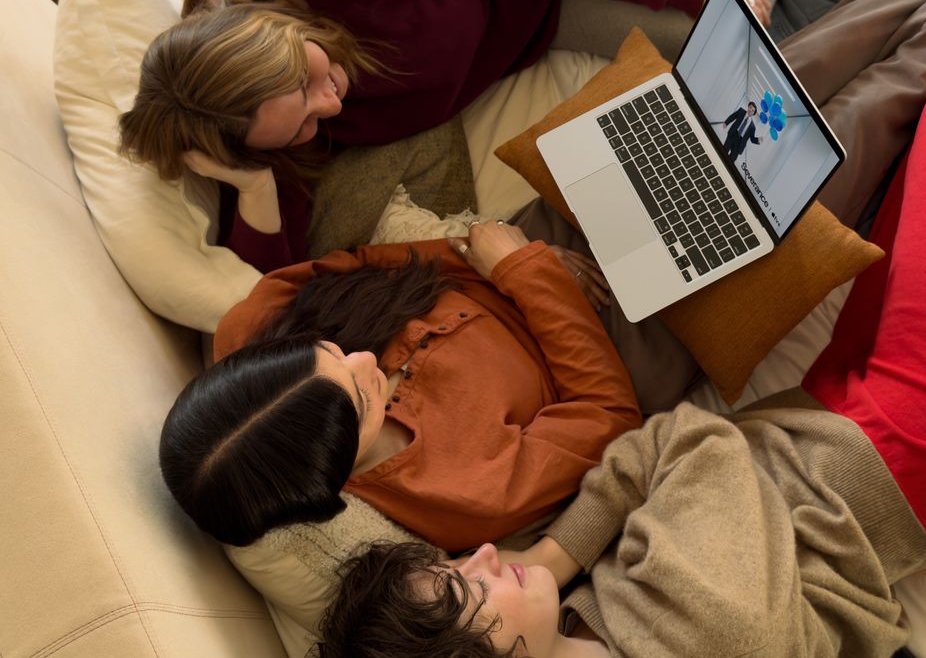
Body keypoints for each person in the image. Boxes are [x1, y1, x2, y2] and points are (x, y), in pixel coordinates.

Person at [312, 0, 926, 658]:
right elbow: (678, 444)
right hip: (923, 445)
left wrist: (557, 561)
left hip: (848, 429)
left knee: (923, 174)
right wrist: (564, 548)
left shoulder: (599, 617)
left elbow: (657, 458)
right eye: (464, 586)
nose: (478, 557)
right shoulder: (695, 621)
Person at [117, 0, 773, 274]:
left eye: (307, 76)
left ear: (270, 30)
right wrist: (250, 180)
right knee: (742, 45)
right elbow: (270, 280)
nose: (332, 103)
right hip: (546, 20)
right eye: (306, 124)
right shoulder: (277, 140)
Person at [159, 218, 665, 553]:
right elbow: (609, 414)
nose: (363, 359)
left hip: (500, 249)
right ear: (331, 476)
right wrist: (529, 276)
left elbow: (361, 262)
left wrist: (482, 252)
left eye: (329, 350)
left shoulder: (249, 330)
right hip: (610, 334)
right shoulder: (465, 496)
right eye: (361, 397)